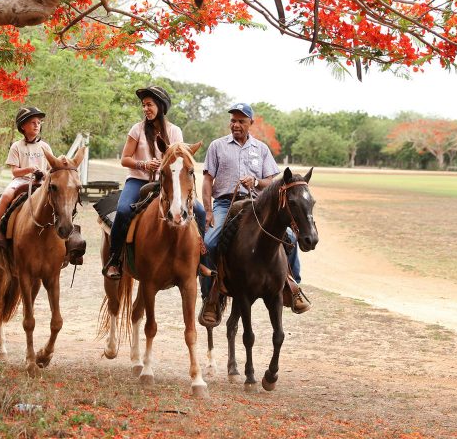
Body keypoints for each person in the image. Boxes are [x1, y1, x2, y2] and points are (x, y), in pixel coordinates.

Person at [199, 102, 310, 326]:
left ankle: (293, 286)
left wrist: (256, 181)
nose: (236, 124)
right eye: (233, 120)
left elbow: (271, 181)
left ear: (251, 123)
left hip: (256, 204)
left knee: (289, 237)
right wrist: (209, 211)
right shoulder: (217, 146)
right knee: (209, 242)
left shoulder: (261, 149)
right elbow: (208, 180)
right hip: (224, 203)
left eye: (241, 121)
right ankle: (210, 298)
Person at [103, 85, 208, 280]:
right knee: (124, 210)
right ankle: (114, 260)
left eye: (149, 105)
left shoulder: (174, 131)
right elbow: (125, 159)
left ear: (160, 106)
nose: (145, 109)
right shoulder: (137, 129)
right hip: (137, 180)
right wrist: (143, 164)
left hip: (166, 183)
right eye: (143, 105)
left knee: (200, 212)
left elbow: (179, 159)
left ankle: (201, 260)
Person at [0, 106, 51, 253]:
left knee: (59, 197)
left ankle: (68, 233)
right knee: (7, 195)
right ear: (23, 126)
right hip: (22, 180)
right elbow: (15, 172)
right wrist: (30, 169)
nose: (37, 125)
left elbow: (51, 168)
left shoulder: (45, 146)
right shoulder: (16, 146)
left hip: (41, 182)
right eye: (33, 122)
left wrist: (44, 173)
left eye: (39, 122)